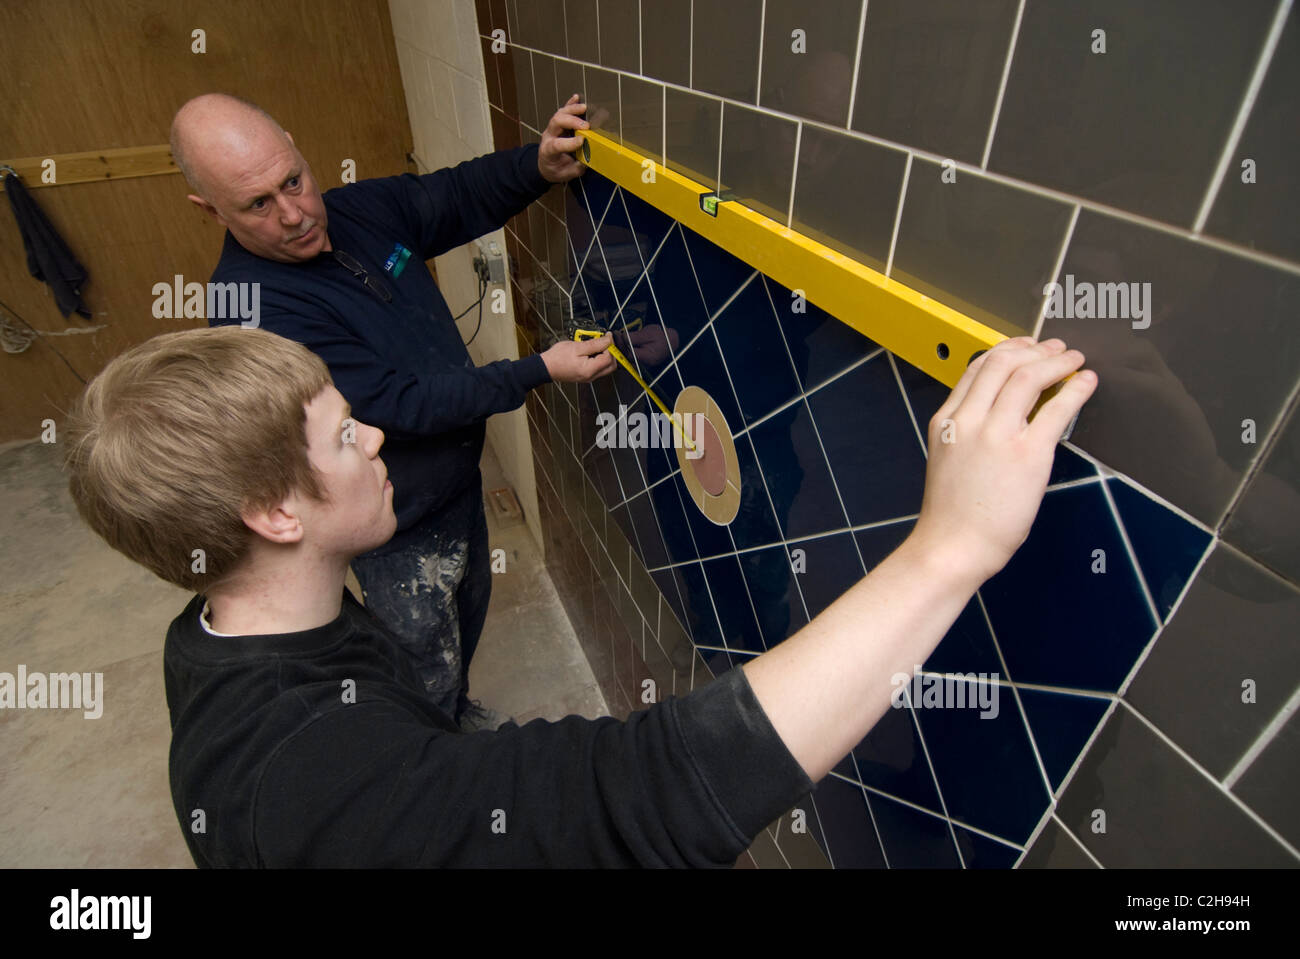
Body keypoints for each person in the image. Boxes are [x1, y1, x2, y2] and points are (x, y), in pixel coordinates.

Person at [62, 325, 1096, 867]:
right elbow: (628, 798)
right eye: (342, 436)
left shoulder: (224, 625)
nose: (374, 435)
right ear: (274, 514)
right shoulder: (312, 781)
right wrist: (949, 546)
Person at [167, 93, 616, 730]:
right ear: (210, 210)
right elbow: (396, 405)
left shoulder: (356, 213)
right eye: (258, 205)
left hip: (456, 481)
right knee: (421, 665)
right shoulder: (254, 313)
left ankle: (454, 713)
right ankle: (435, 764)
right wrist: (538, 369)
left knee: (465, 618)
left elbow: (452, 196)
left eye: (293, 180)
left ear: (297, 150)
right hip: (393, 524)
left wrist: (537, 165)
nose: (295, 215)